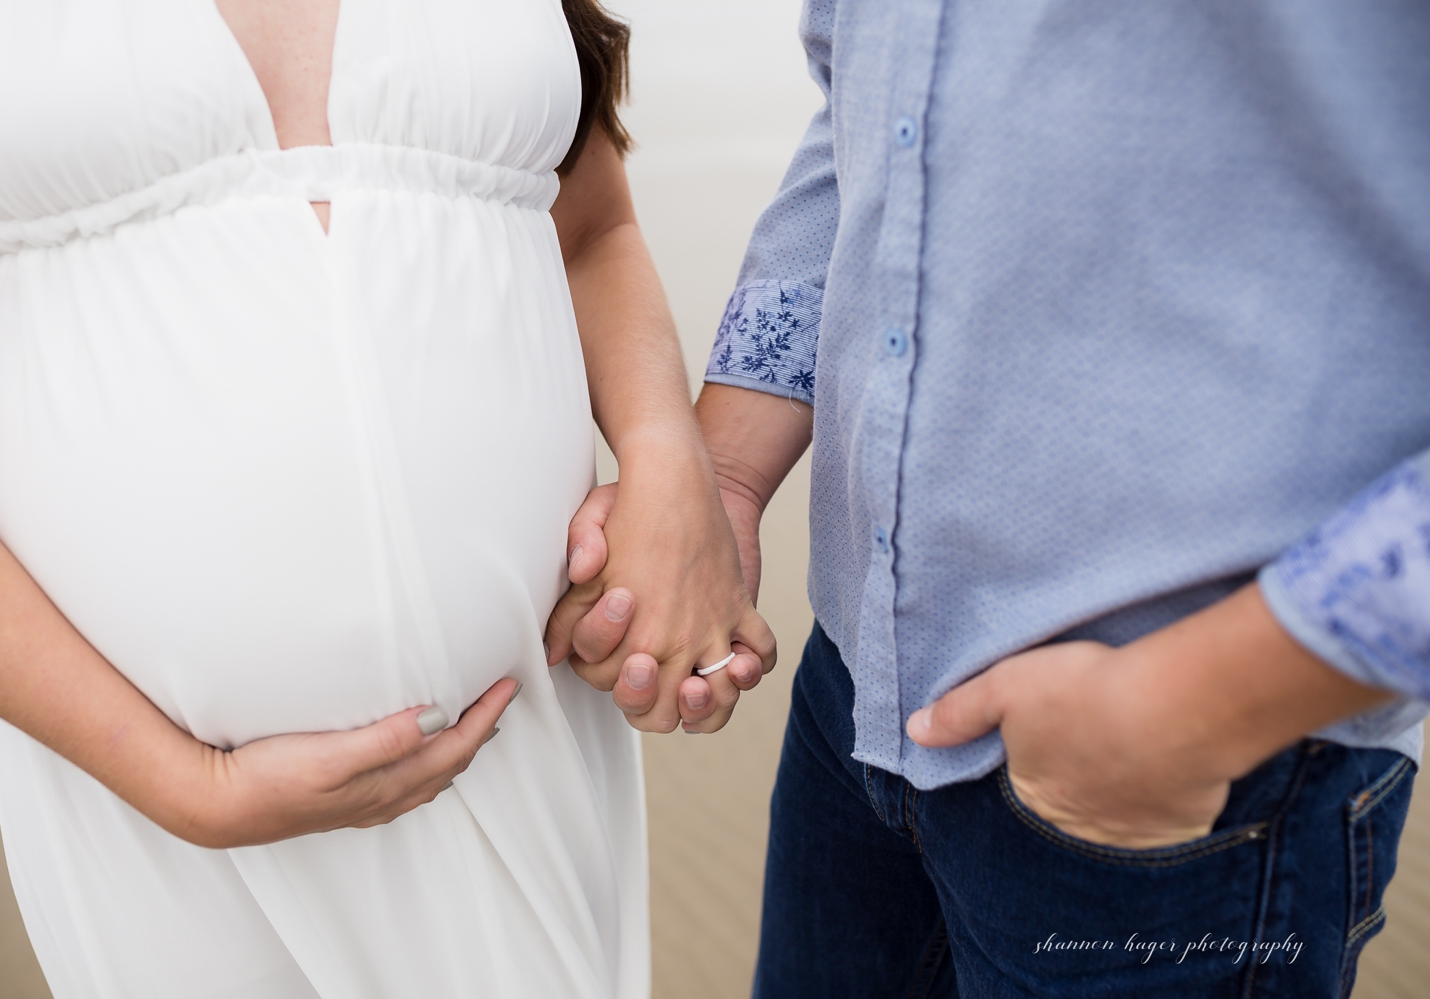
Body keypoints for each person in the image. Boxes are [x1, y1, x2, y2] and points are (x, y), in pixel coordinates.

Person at [550, 1, 1430, 995]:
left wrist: (1180, 714)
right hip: (853, 695)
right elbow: (876, 125)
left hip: (1183, 772)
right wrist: (720, 480)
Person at [0, 1, 771, 996]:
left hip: (516, 741)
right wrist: (187, 789)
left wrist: (673, 469)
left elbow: (590, 228)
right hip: (149, 804)